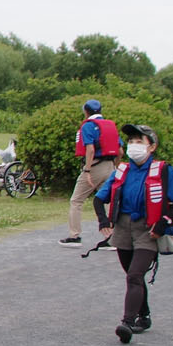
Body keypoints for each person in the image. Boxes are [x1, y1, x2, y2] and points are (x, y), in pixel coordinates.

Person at [92, 123, 173, 344]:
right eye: (132, 141)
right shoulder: (122, 170)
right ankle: (143, 316)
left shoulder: (162, 170)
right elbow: (100, 198)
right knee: (133, 274)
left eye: (140, 141)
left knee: (134, 275)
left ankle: (127, 322)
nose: (134, 145)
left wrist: (163, 223)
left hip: (149, 229)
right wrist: (103, 220)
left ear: (151, 147)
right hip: (123, 227)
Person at [63, 99, 121, 246]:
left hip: (94, 166)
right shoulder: (110, 126)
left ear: (86, 111)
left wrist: (87, 170)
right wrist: (116, 166)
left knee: (76, 201)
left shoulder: (88, 126)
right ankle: (111, 237)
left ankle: (74, 235)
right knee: (107, 200)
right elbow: (120, 150)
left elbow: (90, 149)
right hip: (110, 166)